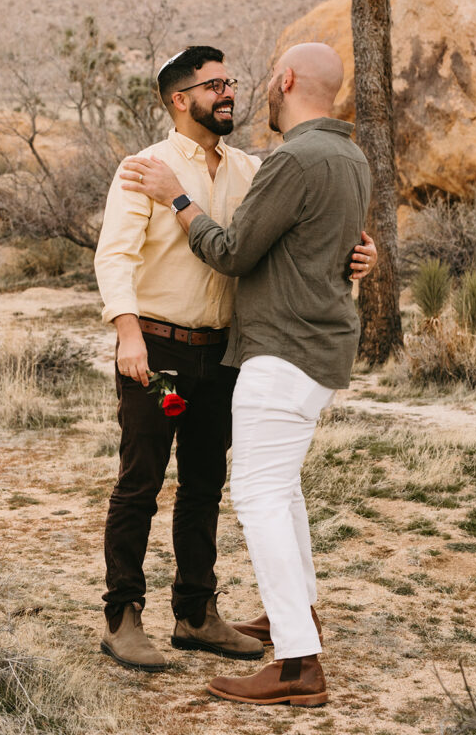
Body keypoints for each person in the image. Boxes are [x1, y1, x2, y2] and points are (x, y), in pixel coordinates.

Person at [95, 44, 376, 674]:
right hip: (158, 351)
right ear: (179, 99)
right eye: (212, 84)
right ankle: (123, 618)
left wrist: (358, 257)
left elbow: (286, 239)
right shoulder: (146, 167)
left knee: (204, 485)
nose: (227, 92)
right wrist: (128, 331)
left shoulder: (252, 168)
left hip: (222, 355)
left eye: (230, 81)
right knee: (140, 482)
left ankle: (195, 614)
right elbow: (114, 256)